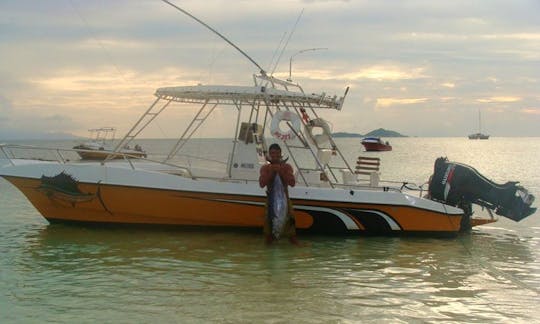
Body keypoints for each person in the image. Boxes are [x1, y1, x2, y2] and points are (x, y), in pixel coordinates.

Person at [259, 143, 299, 245]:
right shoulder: (265, 168)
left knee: (291, 225)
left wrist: (280, 171)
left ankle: (294, 246)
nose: (275, 156)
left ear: (281, 154)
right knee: (269, 226)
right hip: (271, 201)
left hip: (285, 200)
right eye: (272, 154)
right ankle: (269, 247)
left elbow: (292, 183)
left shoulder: (287, 167)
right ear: (269, 154)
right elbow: (262, 184)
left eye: (277, 153)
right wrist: (272, 172)